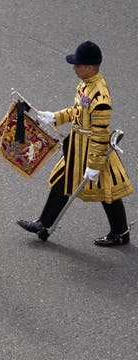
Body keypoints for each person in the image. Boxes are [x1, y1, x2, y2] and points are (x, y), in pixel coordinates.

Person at [17, 41, 133, 246]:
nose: (74, 68)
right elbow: (76, 111)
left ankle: (120, 232)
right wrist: (55, 117)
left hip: (91, 150)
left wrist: (94, 165)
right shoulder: (85, 84)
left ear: (89, 67)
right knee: (62, 181)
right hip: (78, 146)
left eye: (78, 65)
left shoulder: (100, 95)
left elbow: (99, 133)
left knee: (107, 190)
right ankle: (44, 223)